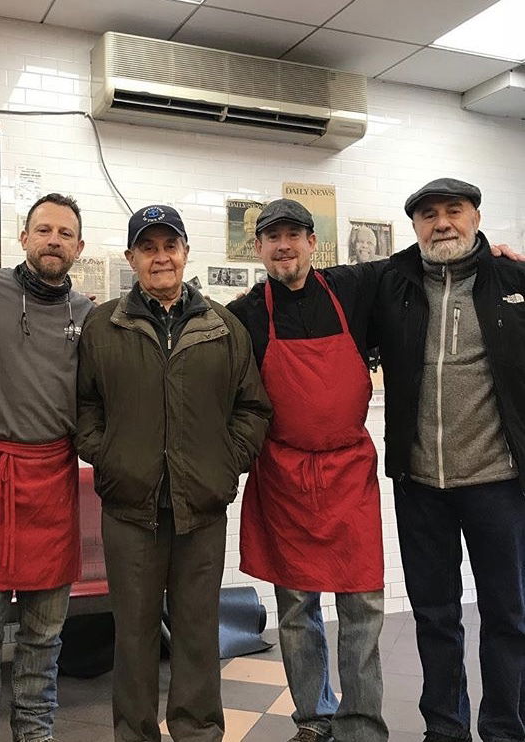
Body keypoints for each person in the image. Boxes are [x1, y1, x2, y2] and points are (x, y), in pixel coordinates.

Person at [76, 204, 271, 742]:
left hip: (201, 508)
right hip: (129, 508)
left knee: (196, 633)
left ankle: (198, 731)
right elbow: (83, 407)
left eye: (170, 245)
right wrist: (109, 456)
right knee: (133, 636)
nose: (160, 257)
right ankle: (134, 734)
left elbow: (252, 409)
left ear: (185, 252)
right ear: (132, 257)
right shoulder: (104, 324)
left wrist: (225, 463)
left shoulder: (224, 328)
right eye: (148, 247)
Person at [228, 199, 388, 742]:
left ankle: (362, 724)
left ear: (312, 242)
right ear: (259, 249)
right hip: (283, 477)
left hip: (349, 476)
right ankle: (314, 719)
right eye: (272, 237)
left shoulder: (351, 288)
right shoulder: (247, 312)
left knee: (362, 605)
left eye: (294, 234)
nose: (284, 245)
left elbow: (421, 262)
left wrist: (497, 257)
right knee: (296, 609)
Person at [372, 178, 525, 742]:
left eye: (453, 212)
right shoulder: (393, 283)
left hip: (500, 484)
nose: (442, 224)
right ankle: (446, 728)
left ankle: (507, 727)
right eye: (429, 215)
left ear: (476, 216)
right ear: (414, 227)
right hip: (420, 486)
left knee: (509, 617)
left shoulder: (514, 280)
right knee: (435, 617)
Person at [0, 193, 93, 742]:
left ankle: (35, 732)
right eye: (44, 230)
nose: (53, 240)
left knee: (44, 632)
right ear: (24, 237)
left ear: (78, 247)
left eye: (64, 233)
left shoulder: (88, 313)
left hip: (54, 476)